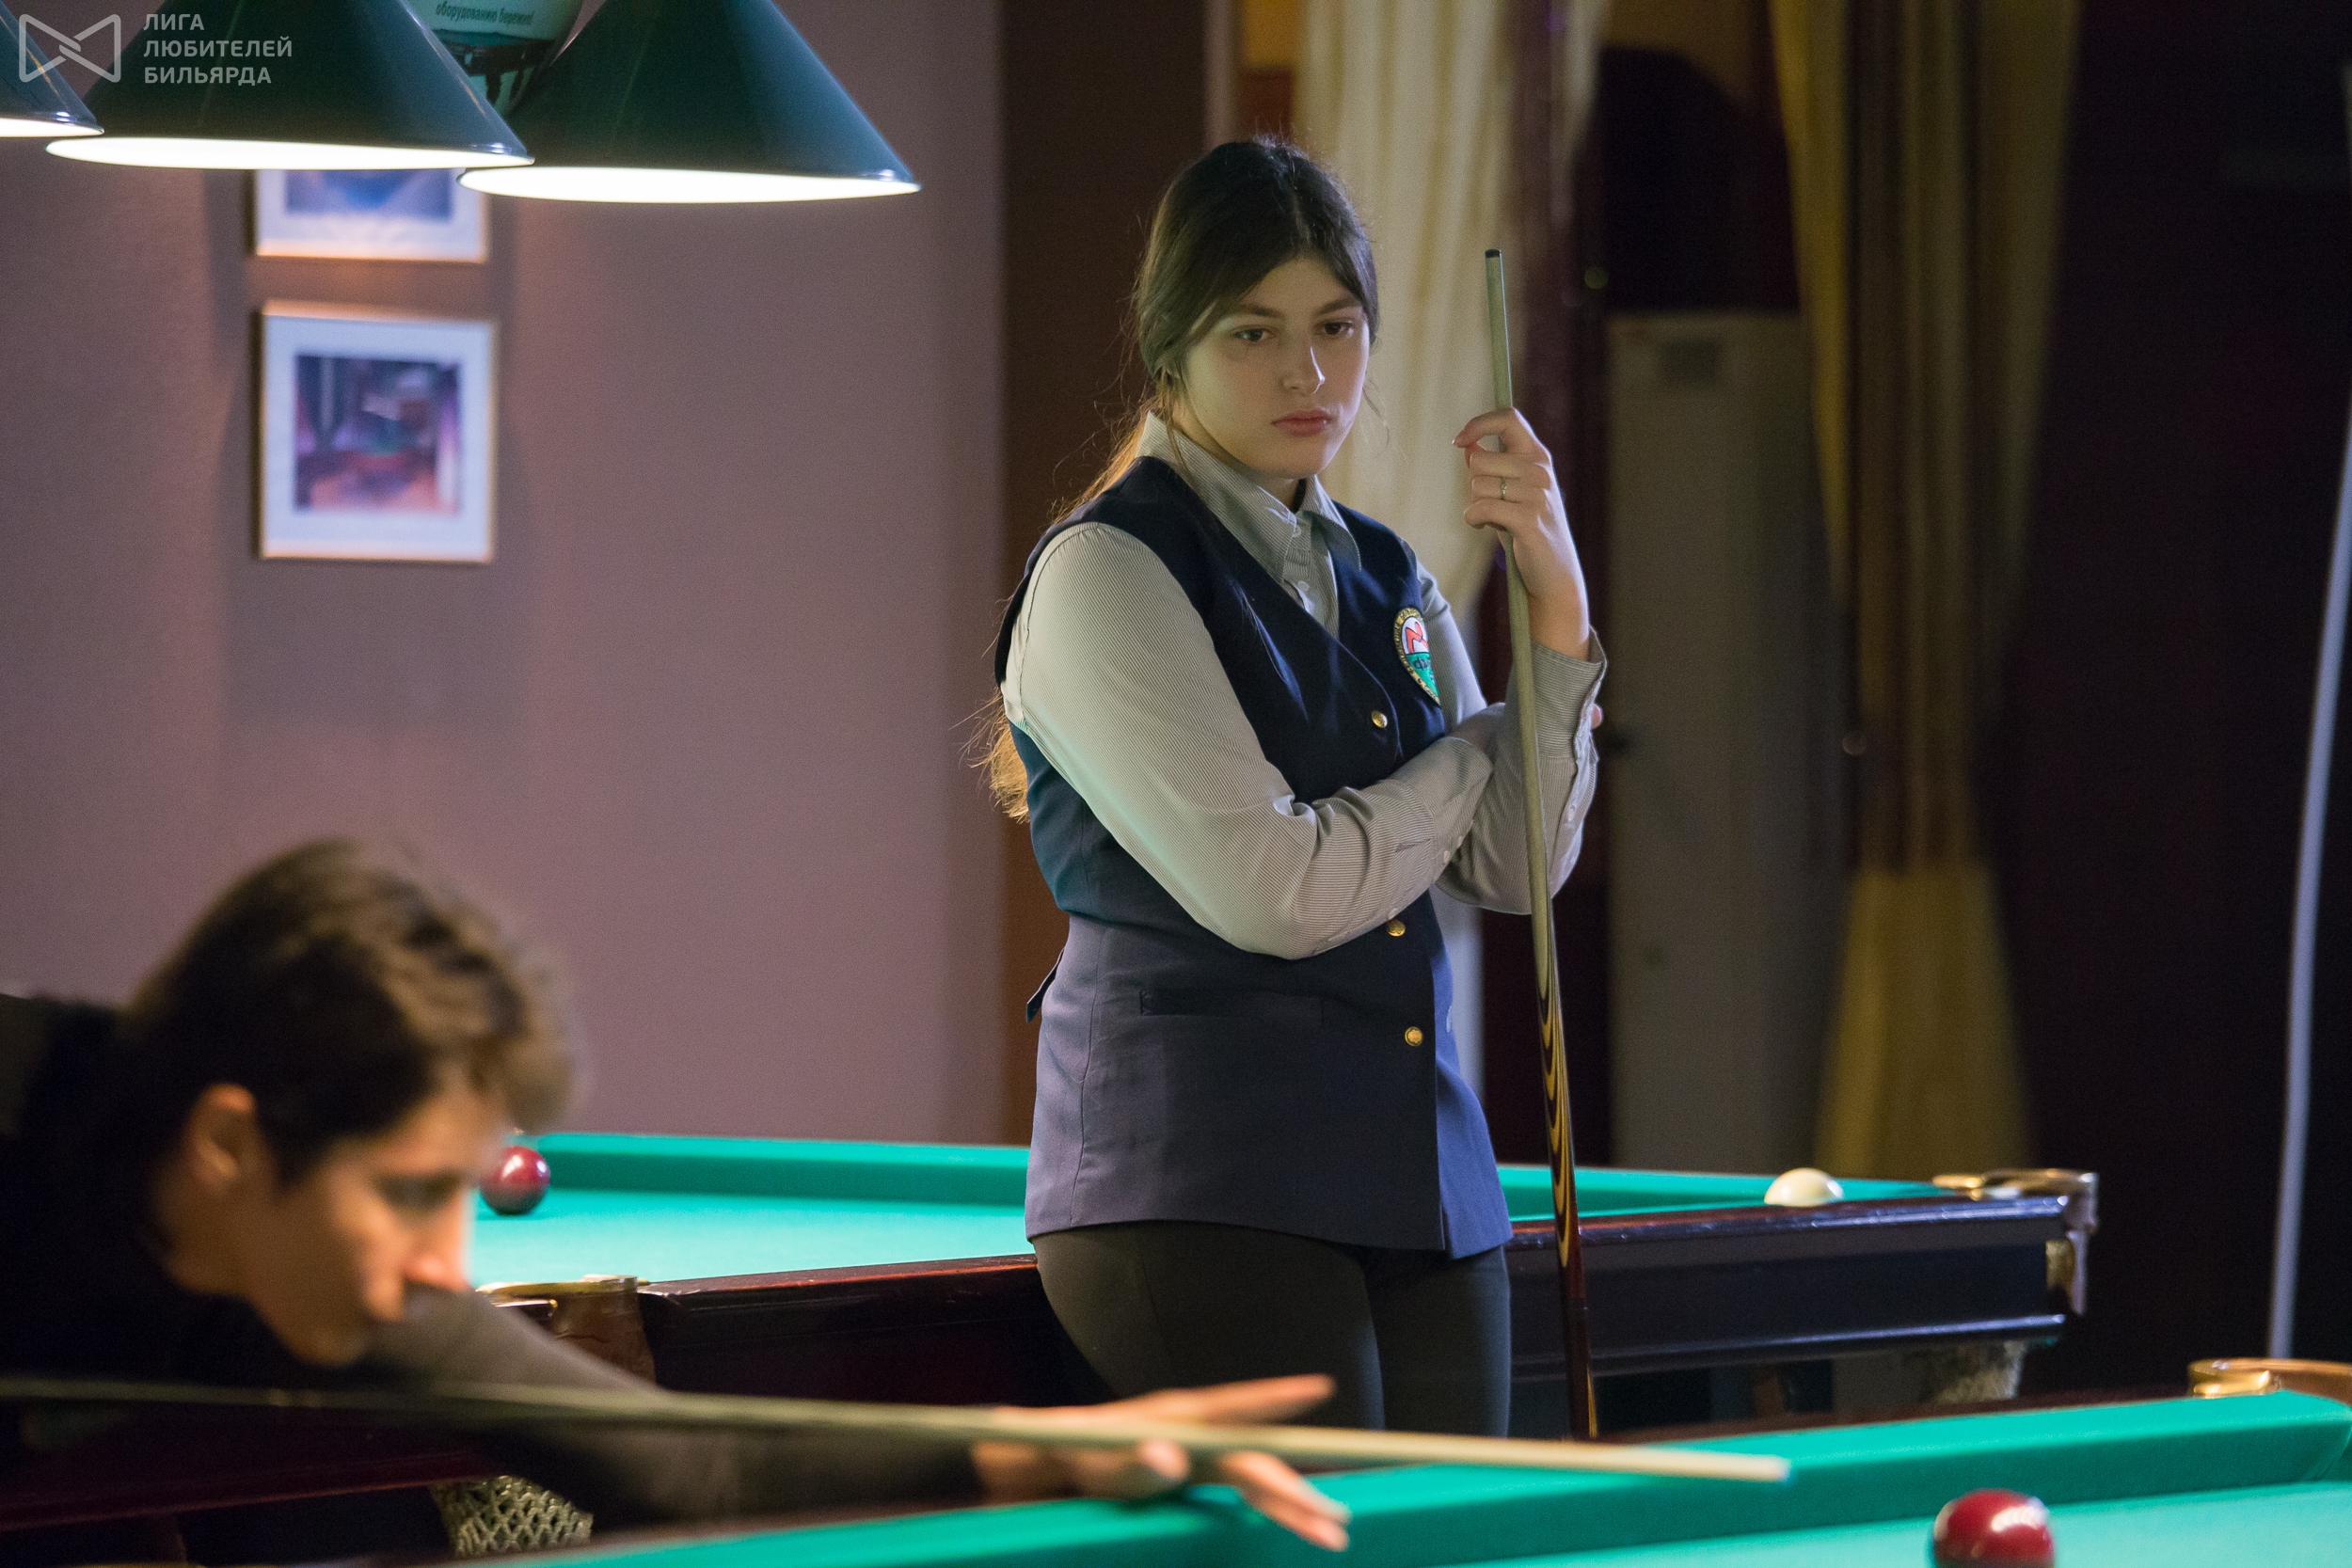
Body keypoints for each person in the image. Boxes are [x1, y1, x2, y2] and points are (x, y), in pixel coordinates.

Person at [0, 840, 1351, 1564]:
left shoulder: (346, 1268)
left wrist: (1056, 1452)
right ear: (230, 1145)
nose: (442, 1263)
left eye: (456, 1192)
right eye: (405, 1192)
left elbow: (693, 1461)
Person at [984, 138, 1605, 1438]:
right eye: (1252, 332)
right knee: (1333, 1530)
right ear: (1171, 349)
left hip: (1422, 1178)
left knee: (1450, 1534)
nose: (1307, 373)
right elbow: (1277, 891)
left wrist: (1556, 606)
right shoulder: (1107, 571)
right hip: (1197, 1182)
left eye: (1336, 326)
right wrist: (1476, 751)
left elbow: (1516, 866)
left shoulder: (1387, 570)